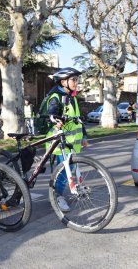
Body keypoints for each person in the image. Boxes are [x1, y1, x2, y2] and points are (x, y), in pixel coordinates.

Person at [46, 68, 88, 212]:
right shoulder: (56, 97)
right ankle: (57, 196)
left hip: (72, 142)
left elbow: (78, 120)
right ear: (64, 82)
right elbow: (51, 113)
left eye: (77, 79)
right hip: (60, 142)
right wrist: (54, 120)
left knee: (70, 168)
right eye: (74, 80)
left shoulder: (73, 97)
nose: (77, 82)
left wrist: (84, 137)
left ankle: (59, 192)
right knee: (65, 170)